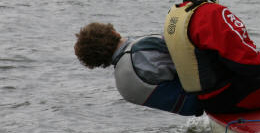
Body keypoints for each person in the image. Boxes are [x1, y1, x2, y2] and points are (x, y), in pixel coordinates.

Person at [74, 22, 202, 116]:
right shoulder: (142, 48)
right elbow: (191, 55)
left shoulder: (121, 85)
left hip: (197, 108)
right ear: (114, 32)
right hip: (208, 93)